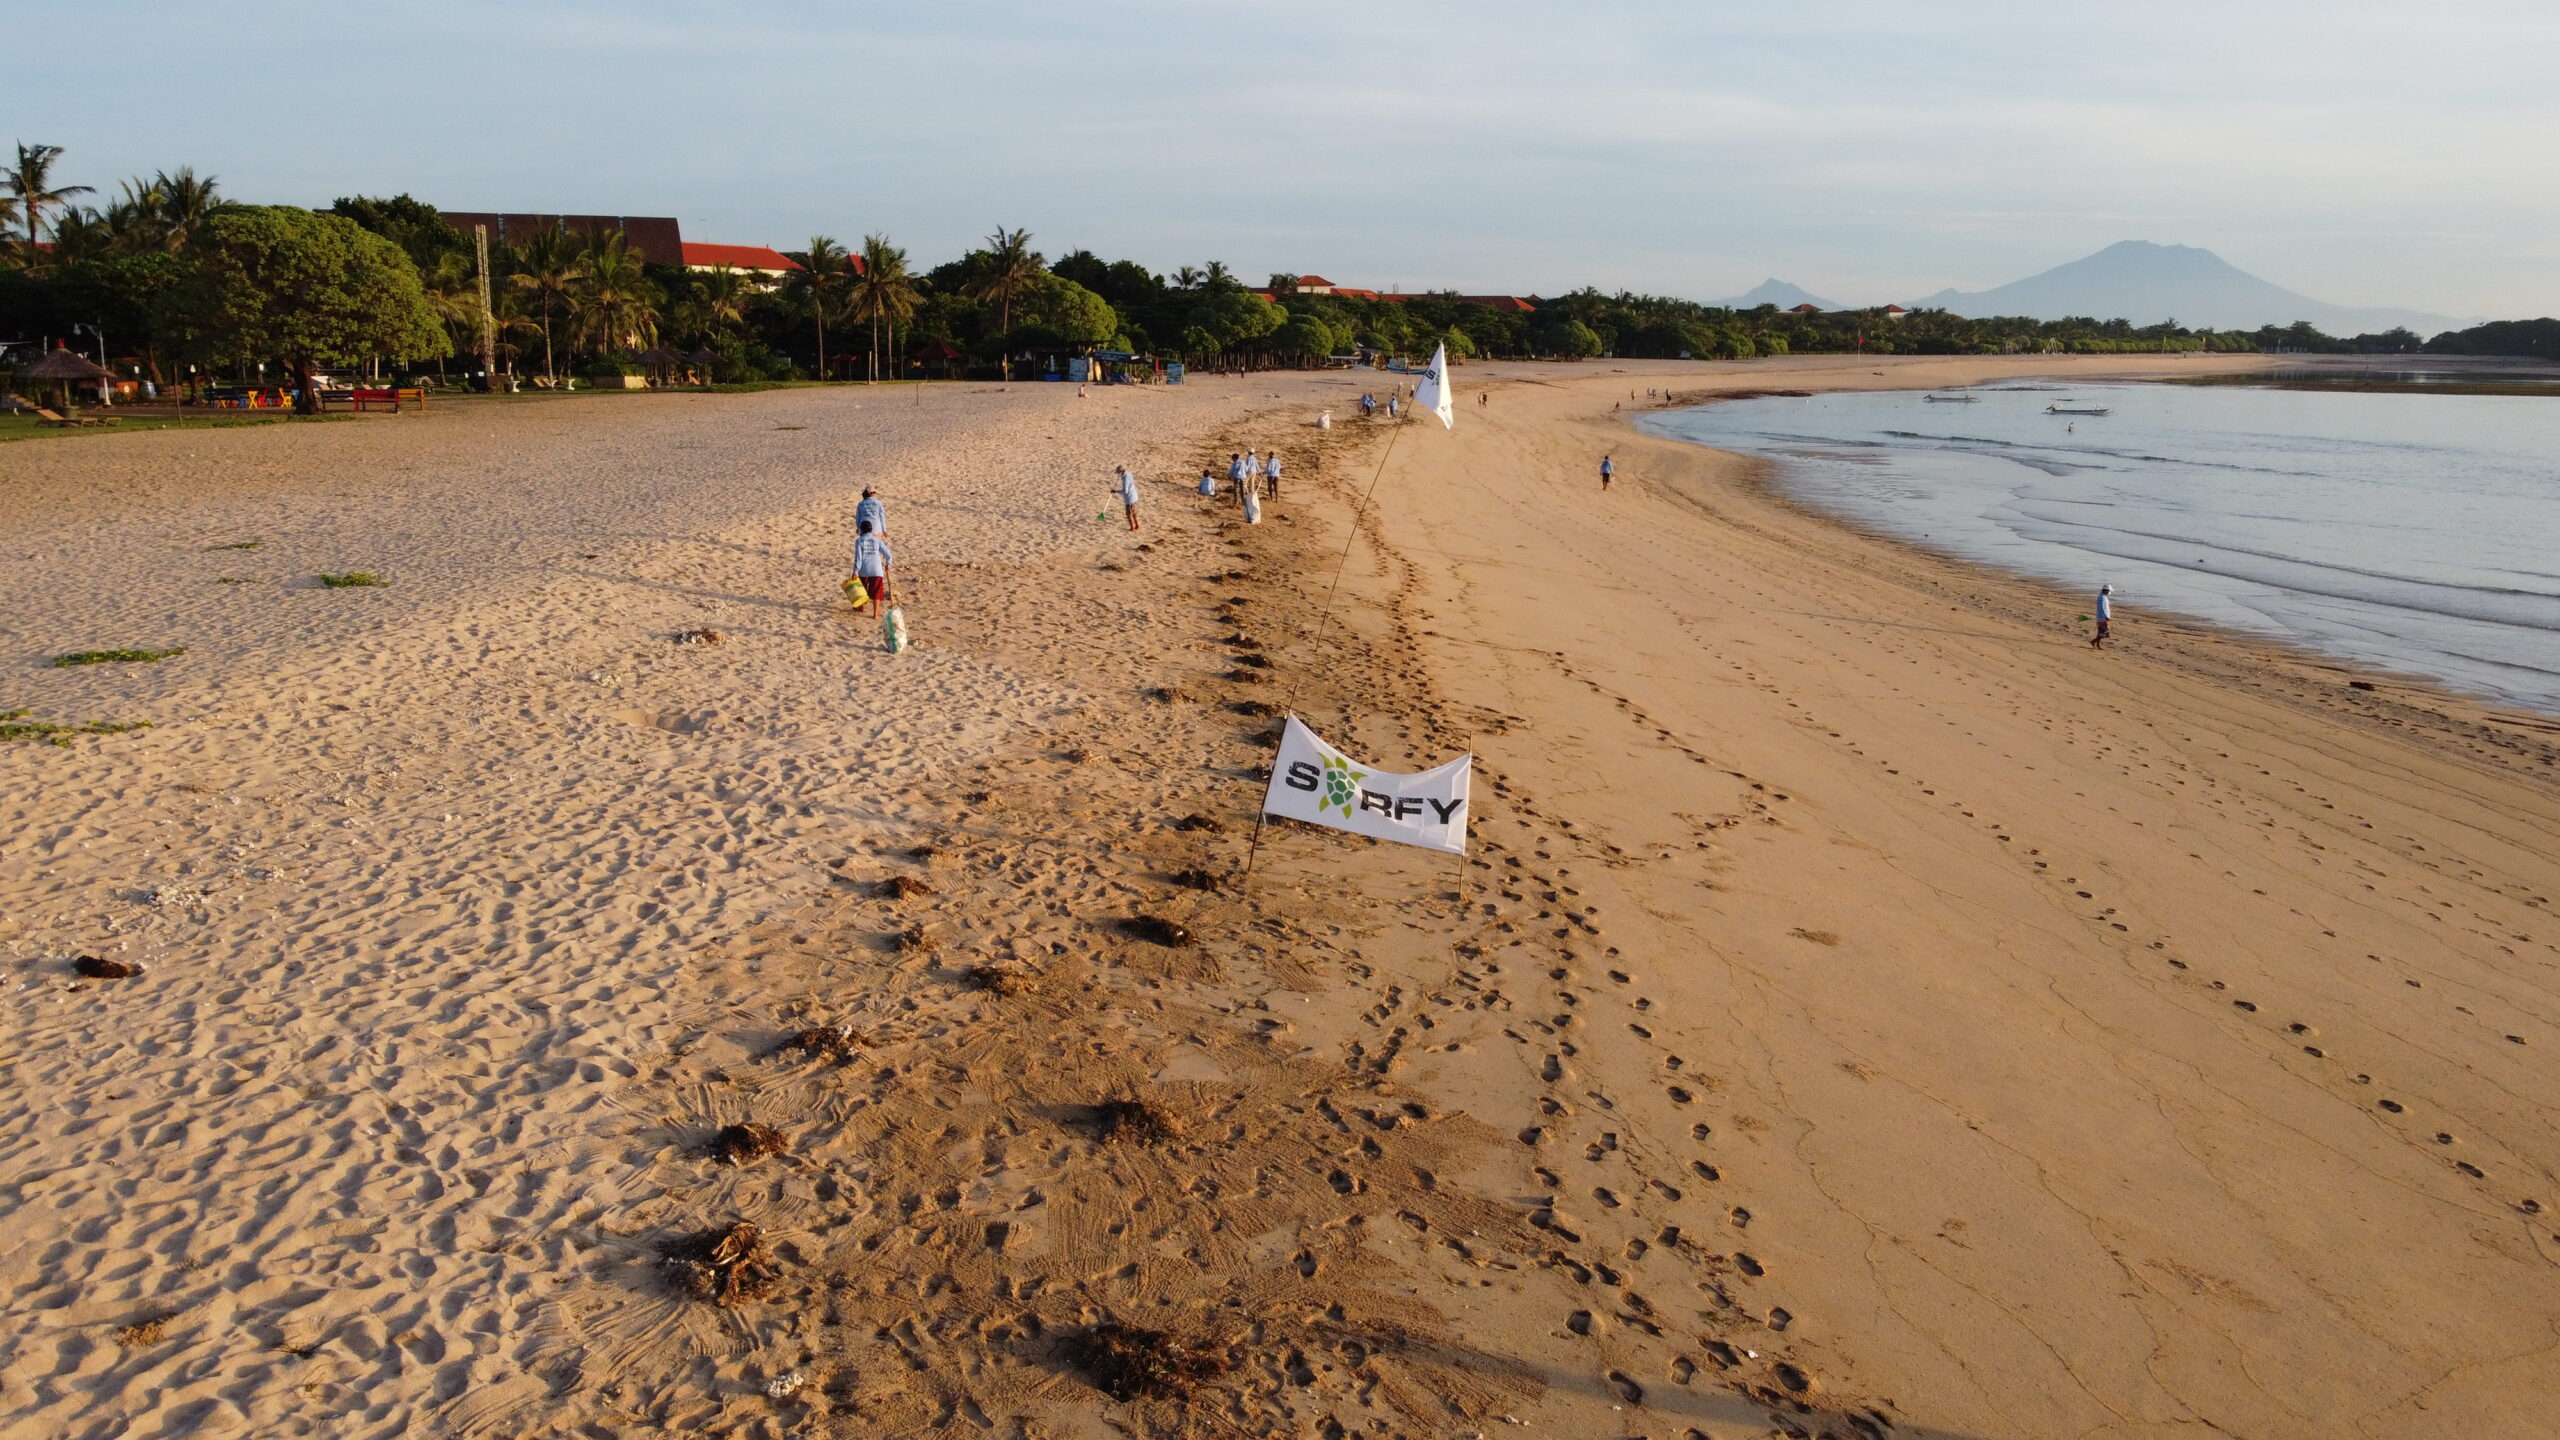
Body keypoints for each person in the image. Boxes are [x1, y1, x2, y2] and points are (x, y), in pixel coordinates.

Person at [853, 519, 894, 610]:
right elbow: (888, 555)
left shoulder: (859, 541)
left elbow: (858, 558)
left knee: (861, 589)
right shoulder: (877, 540)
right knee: (876, 593)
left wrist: (855, 571)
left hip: (863, 569)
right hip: (876, 570)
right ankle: (875, 614)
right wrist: (888, 565)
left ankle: (861, 607)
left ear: (861, 530)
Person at [1114, 465, 1142, 531]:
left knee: (1129, 514)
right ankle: (1137, 525)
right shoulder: (1129, 474)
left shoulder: (1125, 480)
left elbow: (1125, 491)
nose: (1118, 474)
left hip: (1129, 498)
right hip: (1134, 496)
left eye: (1119, 473)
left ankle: (1132, 527)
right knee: (1134, 512)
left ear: (1122, 471)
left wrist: (1116, 491)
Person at [2092, 584, 2113, 648]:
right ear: (2106, 590)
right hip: (2103, 618)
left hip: (2100, 617)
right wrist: (2106, 616)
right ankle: (2093, 641)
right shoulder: (2102, 598)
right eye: (2109, 591)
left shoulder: (2101, 596)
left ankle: (2097, 644)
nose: (2109, 592)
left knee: (2100, 632)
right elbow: (2103, 608)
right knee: (2105, 633)